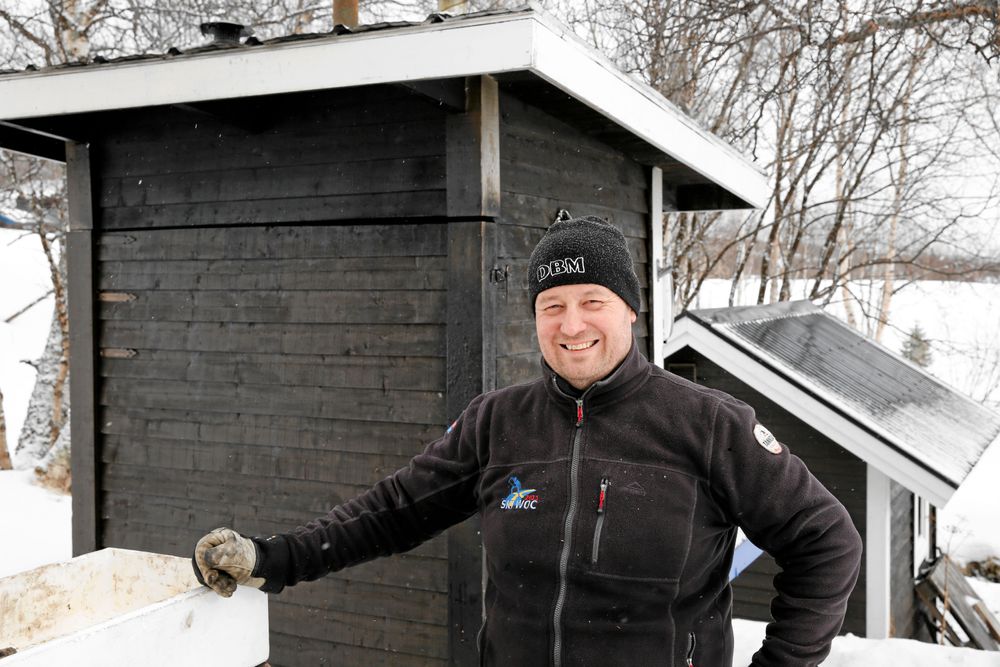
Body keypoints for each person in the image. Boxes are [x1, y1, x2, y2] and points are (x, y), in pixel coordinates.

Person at [194, 215, 863, 666]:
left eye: (592, 300)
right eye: (552, 305)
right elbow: (393, 510)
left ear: (630, 308)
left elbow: (827, 540)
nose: (572, 324)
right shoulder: (499, 422)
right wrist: (271, 557)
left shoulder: (707, 423)